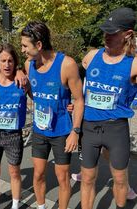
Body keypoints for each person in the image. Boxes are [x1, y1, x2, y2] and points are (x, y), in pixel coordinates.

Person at [21, 21, 84, 209]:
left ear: (38, 45)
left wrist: (75, 131)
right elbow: (36, 94)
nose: (22, 50)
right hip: (40, 130)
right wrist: (26, 88)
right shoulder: (28, 65)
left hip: (61, 131)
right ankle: (41, 206)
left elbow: (79, 100)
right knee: (38, 173)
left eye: (25, 46)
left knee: (63, 177)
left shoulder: (67, 64)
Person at [80, 7, 137, 209]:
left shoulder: (133, 64)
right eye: (105, 31)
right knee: (87, 178)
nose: (106, 36)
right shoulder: (91, 56)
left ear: (127, 34)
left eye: (112, 33)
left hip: (116, 129)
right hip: (90, 127)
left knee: (120, 179)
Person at [0, 43, 28, 209]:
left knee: (15, 173)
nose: (7, 65)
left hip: (13, 135)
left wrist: (68, 105)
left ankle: (15, 206)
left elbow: (41, 98)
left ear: (15, 62)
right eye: (3, 61)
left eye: (10, 61)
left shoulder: (23, 82)